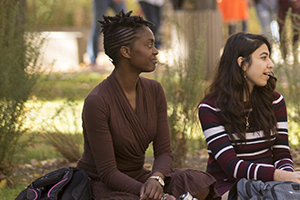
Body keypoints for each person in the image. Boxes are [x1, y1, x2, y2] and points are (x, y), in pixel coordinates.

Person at [79, 11, 215, 200]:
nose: (155, 50)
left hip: (143, 178)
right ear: (126, 52)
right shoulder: (97, 101)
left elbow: (164, 152)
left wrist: (157, 179)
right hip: (106, 185)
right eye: (148, 45)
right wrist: (151, 193)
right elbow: (108, 173)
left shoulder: (154, 90)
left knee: (197, 182)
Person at [198, 32, 300, 198]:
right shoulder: (210, 108)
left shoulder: (275, 101)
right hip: (229, 187)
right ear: (243, 64)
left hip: (269, 186)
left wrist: (287, 179)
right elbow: (231, 166)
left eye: (269, 57)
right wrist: (277, 175)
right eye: (263, 58)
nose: (271, 64)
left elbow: (282, 154)